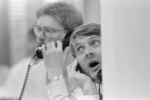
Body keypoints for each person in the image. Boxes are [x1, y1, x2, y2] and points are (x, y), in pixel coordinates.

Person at [0, 1, 83, 100]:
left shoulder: (87, 71)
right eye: (38, 29)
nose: (40, 37)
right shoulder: (35, 72)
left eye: (48, 30)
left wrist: (55, 75)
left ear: (70, 35)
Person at [47, 23, 102, 100]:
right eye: (80, 48)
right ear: (77, 63)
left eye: (94, 43)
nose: (88, 52)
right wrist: (88, 86)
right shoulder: (78, 95)